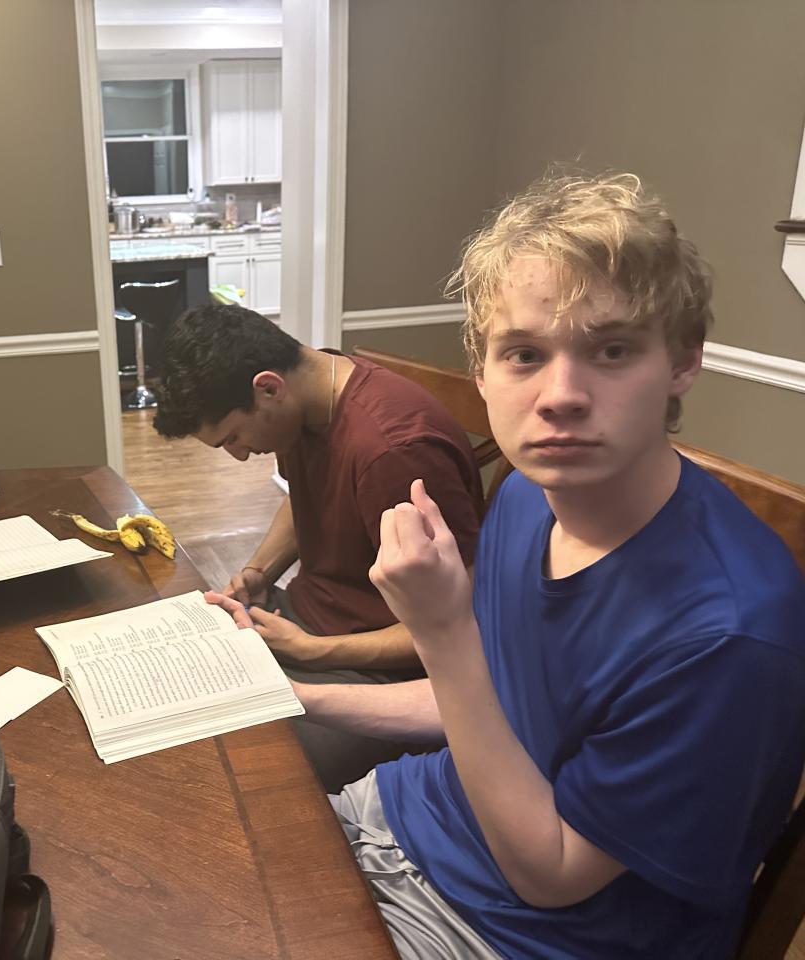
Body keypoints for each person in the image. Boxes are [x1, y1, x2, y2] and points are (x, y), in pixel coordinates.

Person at [280, 171, 805, 959]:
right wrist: (297, 698)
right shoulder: (528, 496)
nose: (561, 395)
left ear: (683, 362)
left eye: (612, 350)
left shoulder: (729, 635)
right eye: (524, 354)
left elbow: (552, 876)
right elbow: (493, 706)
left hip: (515, 931)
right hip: (406, 816)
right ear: (482, 373)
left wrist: (442, 631)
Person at [152, 304, 485, 787]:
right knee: (166, 696)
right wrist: (260, 570)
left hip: (389, 670)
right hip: (307, 622)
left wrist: (314, 651)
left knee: (232, 774)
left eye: (233, 437)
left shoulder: (394, 452)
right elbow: (305, 495)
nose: (239, 455)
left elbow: (463, 619)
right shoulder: (309, 398)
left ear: (268, 388)